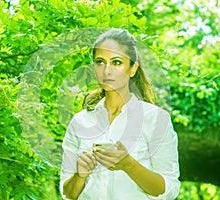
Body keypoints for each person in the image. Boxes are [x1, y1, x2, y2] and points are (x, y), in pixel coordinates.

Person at [59, 28, 180, 200]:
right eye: (100, 62)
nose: (107, 71)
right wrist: (79, 176)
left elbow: (169, 189)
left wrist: (129, 165)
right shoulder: (80, 121)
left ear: (133, 69)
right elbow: (68, 194)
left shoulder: (155, 119)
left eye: (116, 62)